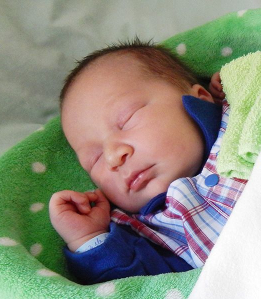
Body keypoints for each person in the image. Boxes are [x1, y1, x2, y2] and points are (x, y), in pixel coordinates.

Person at [49, 39, 246, 284]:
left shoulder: (243, 123)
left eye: (127, 119)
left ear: (201, 98)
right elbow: (138, 294)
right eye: (94, 159)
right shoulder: (148, 234)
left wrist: (240, 86)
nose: (112, 157)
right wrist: (89, 238)